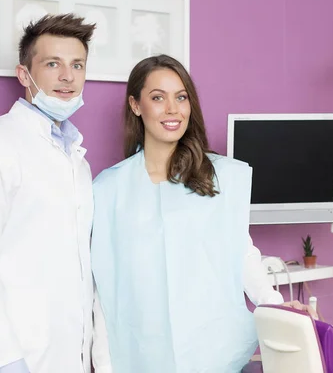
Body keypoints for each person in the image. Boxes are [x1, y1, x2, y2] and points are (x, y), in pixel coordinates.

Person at [90, 54, 317, 373]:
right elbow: (102, 289)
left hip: (213, 354)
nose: (172, 109)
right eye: (158, 98)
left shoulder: (219, 177)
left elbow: (242, 255)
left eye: (181, 97)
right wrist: (103, 366)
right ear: (136, 105)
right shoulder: (107, 190)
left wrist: (277, 309)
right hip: (139, 357)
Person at [0, 14, 96, 373]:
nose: (67, 76)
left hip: (71, 357)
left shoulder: (76, 158)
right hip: (15, 359)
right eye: (52, 64)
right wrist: (8, 362)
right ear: (23, 74)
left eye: (77, 65)